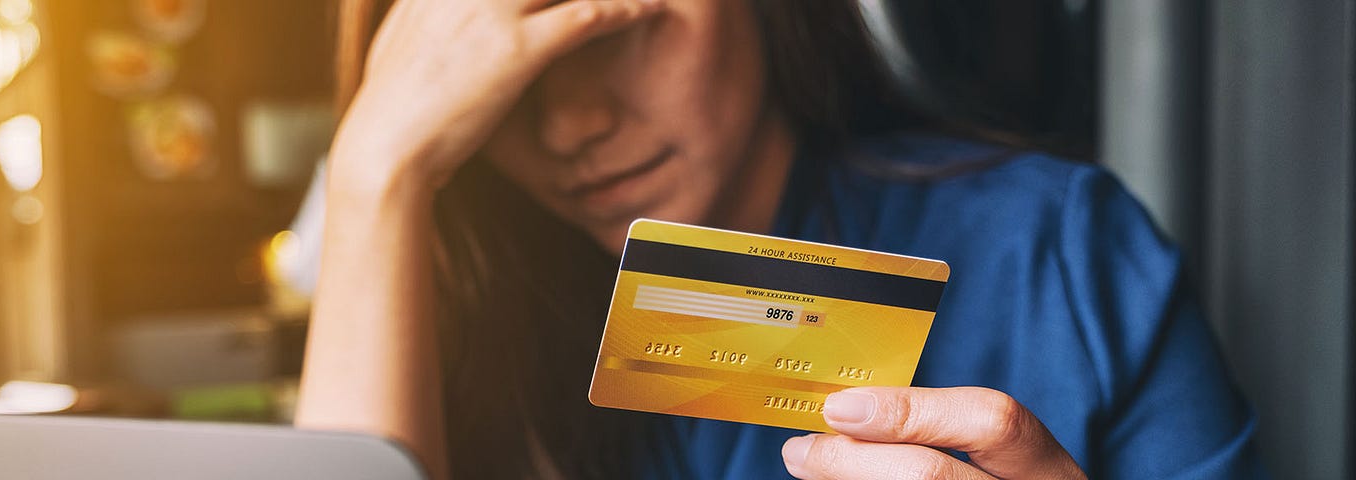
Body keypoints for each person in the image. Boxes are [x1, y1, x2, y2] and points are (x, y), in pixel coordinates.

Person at [296, 1, 1263, 478]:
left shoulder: (1057, 248)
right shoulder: (440, 307)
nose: (569, 124)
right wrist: (377, 173)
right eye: (496, 76)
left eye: (617, 27)